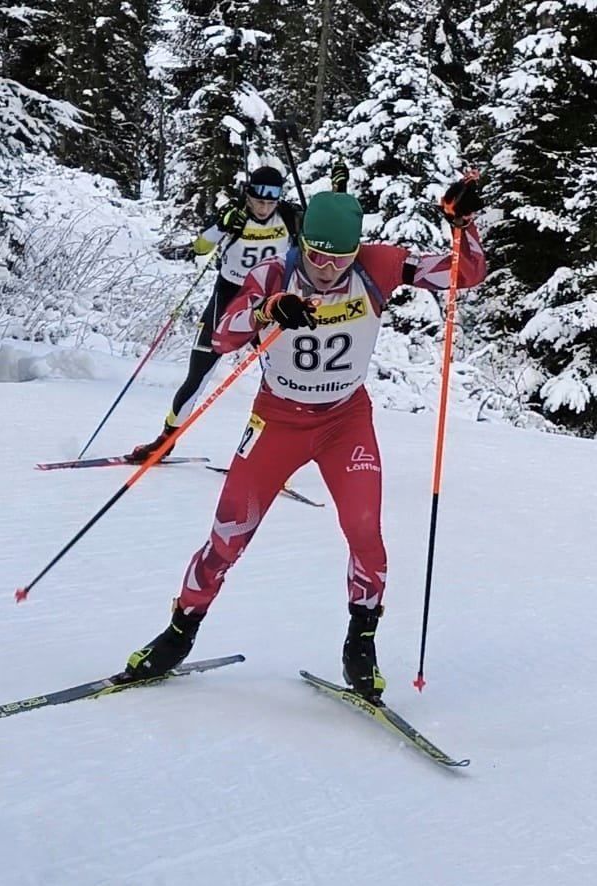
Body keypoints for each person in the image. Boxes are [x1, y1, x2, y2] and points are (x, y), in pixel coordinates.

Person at [124, 174, 485, 699]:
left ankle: (360, 644)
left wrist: (463, 225)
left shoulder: (378, 265)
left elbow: (465, 273)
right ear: (302, 242)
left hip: (345, 422)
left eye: (341, 258)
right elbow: (221, 335)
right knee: (229, 533)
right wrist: (268, 310)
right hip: (277, 421)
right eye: (317, 255)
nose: (328, 268)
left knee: (366, 532)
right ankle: (179, 634)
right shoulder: (275, 272)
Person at [127, 161, 349, 462]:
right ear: (248, 195)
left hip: (271, 301)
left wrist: (339, 191)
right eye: (258, 201)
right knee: (199, 373)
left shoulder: (288, 216)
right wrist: (221, 225)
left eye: (270, 201)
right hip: (229, 296)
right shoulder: (235, 215)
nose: (263, 208)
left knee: (280, 380)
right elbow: (201, 247)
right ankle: (166, 440)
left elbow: (329, 232)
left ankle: (271, 451)